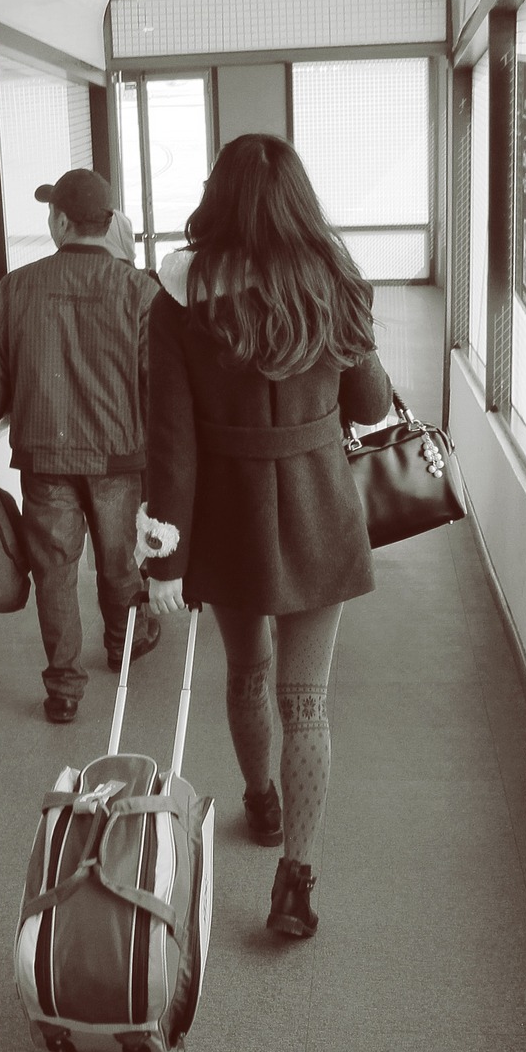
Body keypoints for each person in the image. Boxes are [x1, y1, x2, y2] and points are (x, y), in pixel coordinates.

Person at [137, 133, 392, 938]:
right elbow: (370, 408)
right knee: (307, 701)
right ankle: (296, 886)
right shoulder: (336, 285)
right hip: (320, 506)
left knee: (248, 674)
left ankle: (261, 804)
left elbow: (171, 446)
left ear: (217, 199)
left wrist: (166, 561)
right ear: (298, 201)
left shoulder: (179, 296)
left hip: (229, 515)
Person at [0, 168, 163, 725]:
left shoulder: (17, 288)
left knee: (55, 570)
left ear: (63, 221)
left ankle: (64, 689)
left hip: (45, 456)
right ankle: (124, 643)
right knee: (121, 559)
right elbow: (156, 385)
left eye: (51, 213)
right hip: (120, 456)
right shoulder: (140, 291)